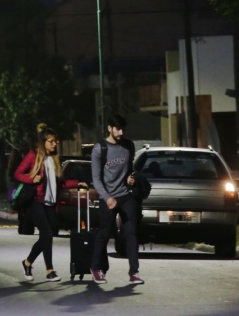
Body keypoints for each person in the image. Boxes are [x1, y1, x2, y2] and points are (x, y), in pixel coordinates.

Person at [15, 125, 80, 282]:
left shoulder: (54, 160)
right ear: (43, 142)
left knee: (46, 235)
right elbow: (17, 173)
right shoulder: (33, 156)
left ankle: (27, 262)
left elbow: (60, 184)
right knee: (47, 233)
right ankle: (50, 270)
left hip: (50, 204)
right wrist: (32, 179)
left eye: (55, 141)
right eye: (51, 141)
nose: (54, 144)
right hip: (35, 203)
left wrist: (78, 183)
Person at [90, 113, 143, 285]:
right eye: (117, 129)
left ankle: (134, 272)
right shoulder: (100, 149)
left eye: (122, 129)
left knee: (131, 233)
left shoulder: (128, 146)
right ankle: (96, 268)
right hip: (108, 196)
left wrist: (131, 178)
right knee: (104, 233)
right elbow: (96, 179)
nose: (121, 133)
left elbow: (130, 169)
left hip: (126, 195)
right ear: (109, 128)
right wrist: (107, 198)